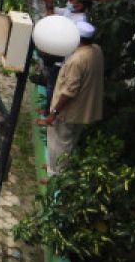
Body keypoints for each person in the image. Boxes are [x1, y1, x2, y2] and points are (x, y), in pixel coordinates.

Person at [39, 21, 105, 175]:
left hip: (68, 111)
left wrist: (54, 112)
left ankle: (55, 176)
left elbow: (69, 91)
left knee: (60, 144)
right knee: (70, 141)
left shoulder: (77, 60)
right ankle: (53, 168)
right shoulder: (96, 50)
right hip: (83, 110)